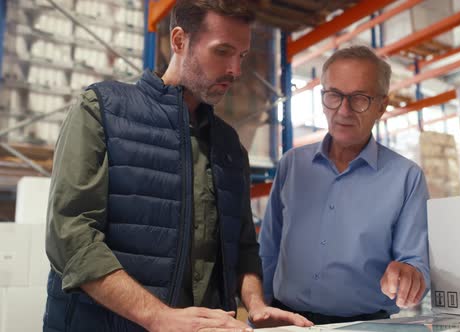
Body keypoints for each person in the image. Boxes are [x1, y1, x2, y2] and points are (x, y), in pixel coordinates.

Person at [43, 1, 312, 331]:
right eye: (223, 51)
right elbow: (71, 238)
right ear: (180, 40)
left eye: (241, 56)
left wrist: (256, 305)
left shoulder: (229, 146)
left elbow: (242, 246)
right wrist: (158, 317)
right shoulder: (101, 110)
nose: (235, 70)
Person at [259, 45, 430, 324]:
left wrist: (409, 274)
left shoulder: (406, 178)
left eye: (360, 98)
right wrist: (261, 311)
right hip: (286, 320)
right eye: (334, 96)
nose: (344, 110)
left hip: (365, 325)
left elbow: (415, 261)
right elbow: (268, 249)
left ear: (381, 106)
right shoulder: (292, 165)